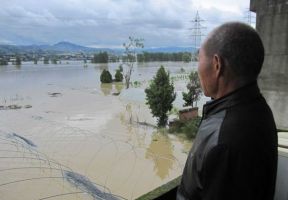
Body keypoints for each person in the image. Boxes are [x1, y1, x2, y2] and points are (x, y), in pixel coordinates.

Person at [177, 22, 278, 200]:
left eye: (199, 60)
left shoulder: (224, 140)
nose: (197, 68)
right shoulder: (259, 109)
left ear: (217, 65)